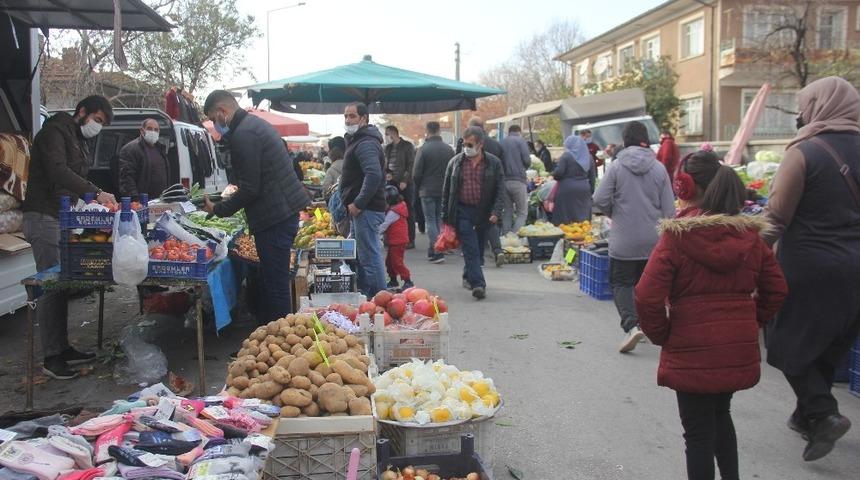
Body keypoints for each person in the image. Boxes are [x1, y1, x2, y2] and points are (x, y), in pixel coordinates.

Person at [635, 149, 788, 480]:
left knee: (698, 433)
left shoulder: (678, 237)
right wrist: (750, 321)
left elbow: (646, 295)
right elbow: (777, 288)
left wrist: (662, 334)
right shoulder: (750, 236)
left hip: (691, 348)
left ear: (685, 188)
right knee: (721, 414)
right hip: (735, 347)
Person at [763, 76, 860, 461]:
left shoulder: (805, 152)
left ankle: (823, 415)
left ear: (818, 106)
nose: (801, 114)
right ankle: (806, 416)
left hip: (810, 267)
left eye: (805, 105)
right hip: (856, 270)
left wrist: (748, 256)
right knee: (829, 341)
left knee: (784, 341)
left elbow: (775, 217)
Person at [22, 95, 117, 379]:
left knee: (61, 284)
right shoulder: (55, 131)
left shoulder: (76, 137)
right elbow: (58, 171)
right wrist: (95, 192)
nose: (97, 126)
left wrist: (91, 201)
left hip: (61, 216)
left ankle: (62, 348)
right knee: (50, 285)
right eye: (97, 120)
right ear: (82, 111)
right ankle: (52, 358)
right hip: (43, 215)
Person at [202, 91, 309, 323]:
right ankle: (278, 335)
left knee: (276, 284)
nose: (215, 125)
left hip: (275, 217)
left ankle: (284, 338)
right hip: (281, 212)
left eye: (213, 118)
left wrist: (218, 209)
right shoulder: (253, 125)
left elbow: (250, 188)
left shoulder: (244, 134)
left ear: (222, 112)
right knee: (274, 281)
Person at [593, 121, 675, 353]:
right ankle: (652, 327)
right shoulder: (659, 168)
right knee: (647, 286)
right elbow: (670, 210)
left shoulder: (617, 166)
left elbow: (599, 199)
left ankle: (631, 326)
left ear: (624, 140)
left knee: (621, 282)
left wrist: (614, 212)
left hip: (624, 239)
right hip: (653, 240)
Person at [441, 126, 504, 300]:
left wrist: (496, 211)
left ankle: (468, 275)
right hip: (462, 210)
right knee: (471, 248)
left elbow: (500, 190)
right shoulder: (455, 163)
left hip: (484, 211)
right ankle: (478, 284)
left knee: (479, 247)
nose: (466, 147)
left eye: (470, 144)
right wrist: (445, 217)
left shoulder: (493, 163)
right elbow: (447, 191)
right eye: (464, 143)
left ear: (480, 144)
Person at [340, 102, 387, 297]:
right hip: (364, 209)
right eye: (345, 116)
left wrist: (358, 203)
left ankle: (380, 299)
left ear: (364, 118)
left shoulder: (365, 142)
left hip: (366, 209)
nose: (348, 120)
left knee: (370, 257)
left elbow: (373, 175)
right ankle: (371, 296)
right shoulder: (359, 140)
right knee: (366, 255)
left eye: (352, 116)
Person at [413, 121, 455, 264]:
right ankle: (437, 249)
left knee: (430, 220)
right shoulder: (449, 150)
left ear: (427, 130)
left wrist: (418, 187)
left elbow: (416, 173)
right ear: (439, 130)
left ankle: (437, 251)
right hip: (444, 190)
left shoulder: (423, 149)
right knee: (438, 220)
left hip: (427, 190)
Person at [118, 118, 170, 200]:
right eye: (149, 129)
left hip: (160, 200)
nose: (153, 132)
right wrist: (135, 200)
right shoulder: (130, 149)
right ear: (142, 131)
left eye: (156, 130)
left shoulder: (160, 149)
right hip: (142, 202)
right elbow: (127, 179)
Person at [551, 135, 595, 225]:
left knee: (566, 217)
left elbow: (558, 173)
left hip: (567, 189)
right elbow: (592, 176)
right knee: (583, 217)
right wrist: (590, 191)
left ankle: (567, 236)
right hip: (584, 189)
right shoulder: (589, 157)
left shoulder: (566, 156)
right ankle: (583, 235)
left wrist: (553, 173)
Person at [384, 125, 416, 248]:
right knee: (389, 210)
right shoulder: (387, 148)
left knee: (408, 210)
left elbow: (410, 164)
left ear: (393, 133)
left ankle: (410, 239)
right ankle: (390, 238)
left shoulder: (407, 146)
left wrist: (404, 180)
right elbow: (385, 164)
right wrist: (387, 173)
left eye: (387, 134)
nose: (387, 137)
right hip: (391, 182)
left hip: (404, 183)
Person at [380, 185, 413, 290]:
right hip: (396, 240)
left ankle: (408, 280)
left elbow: (384, 225)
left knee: (396, 262)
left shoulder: (394, 212)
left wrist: (375, 232)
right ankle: (393, 280)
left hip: (397, 241)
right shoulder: (399, 207)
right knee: (389, 262)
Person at [500, 124, 531, 234]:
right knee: (522, 213)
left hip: (504, 181)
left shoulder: (502, 142)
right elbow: (527, 161)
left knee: (507, 212)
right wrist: (522, 168)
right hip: (518, 181)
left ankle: (504, 240)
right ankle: (514, 237)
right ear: (519, 131)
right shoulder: (520, 141)